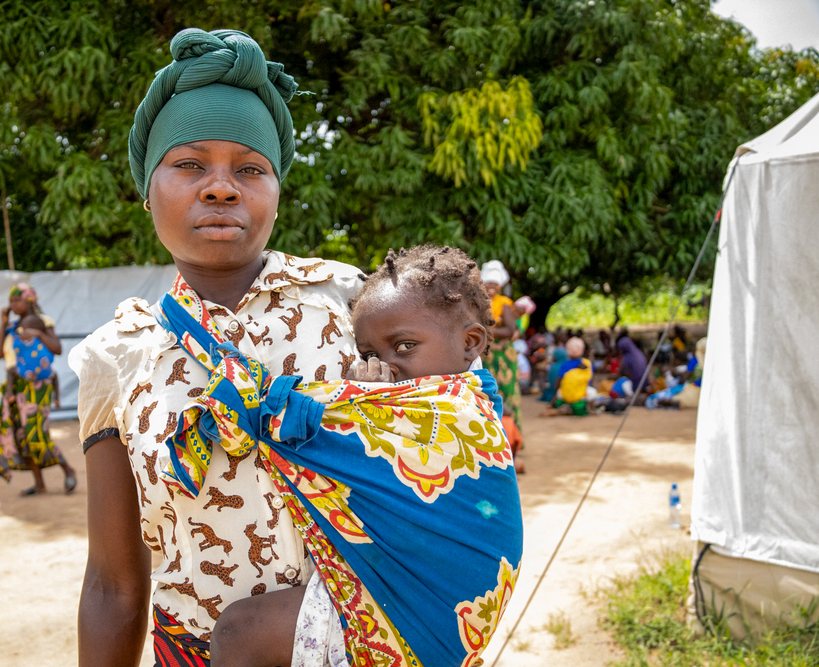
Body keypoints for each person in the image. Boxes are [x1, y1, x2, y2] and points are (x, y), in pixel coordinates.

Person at [69, 30, 521, 667]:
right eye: (190, 164)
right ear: (148, 188)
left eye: (250, 169)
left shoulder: (352, 304)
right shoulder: (114, 357)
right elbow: (113, 582)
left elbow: (453, 447)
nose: (221, 187)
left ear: (277, 190)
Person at [200, 245, 521, 666]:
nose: (385, 365)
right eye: (369, 355)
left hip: (426, 605)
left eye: (405, 346)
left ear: (470, 343)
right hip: (410, 593)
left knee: (239, 633)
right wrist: (367, 403)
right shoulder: (413, 398)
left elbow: (323, 434)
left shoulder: (462, 410)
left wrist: (357, 405)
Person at [0, 284, 75, 496]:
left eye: (16, 300)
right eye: (10, 301)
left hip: (38, 387)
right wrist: (2, 325)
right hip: (15, 386)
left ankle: (67, 469)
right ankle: (39, 483)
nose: (12, 305)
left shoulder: (43, 323)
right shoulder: (11, 327)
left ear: (29, 300)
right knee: (20, 435)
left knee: (37, 432)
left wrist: (37, 332)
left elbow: (56, 348)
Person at [481, 260, 522, 431]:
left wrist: (488, 331)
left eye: (495, 284)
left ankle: (513, 439)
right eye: (488, 283)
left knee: (508, 392)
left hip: (503, 353)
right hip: (485, 354)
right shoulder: (478, 303)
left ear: (499, 287)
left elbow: (511, 329)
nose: (492, 287)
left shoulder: (504, 302)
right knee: (486, 392)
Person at [542, 337, 594, 416]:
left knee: (559, 393)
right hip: (581, 394)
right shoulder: (587, 363)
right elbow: (589, 381)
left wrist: (557, 391)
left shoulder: (565, 364)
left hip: (565, 394)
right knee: (592, 393)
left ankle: (551, 406)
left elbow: (558, 381)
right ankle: (592, 410)